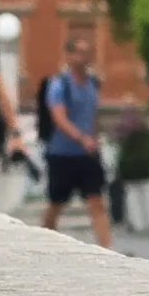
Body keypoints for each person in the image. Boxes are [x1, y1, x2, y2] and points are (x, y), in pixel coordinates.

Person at [41, 31, 114, 249]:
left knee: (97, 202)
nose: (84, 57)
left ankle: (107, 250)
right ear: (69, 55)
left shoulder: (93, 83)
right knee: (56, 203)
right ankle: (44, 243)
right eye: (79, 52)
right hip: (62, 154)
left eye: (87, 52)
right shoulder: (59, 85)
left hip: (87, 154)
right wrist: (82, 138)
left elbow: (91, 115)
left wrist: (94, 137)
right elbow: (59, 118)